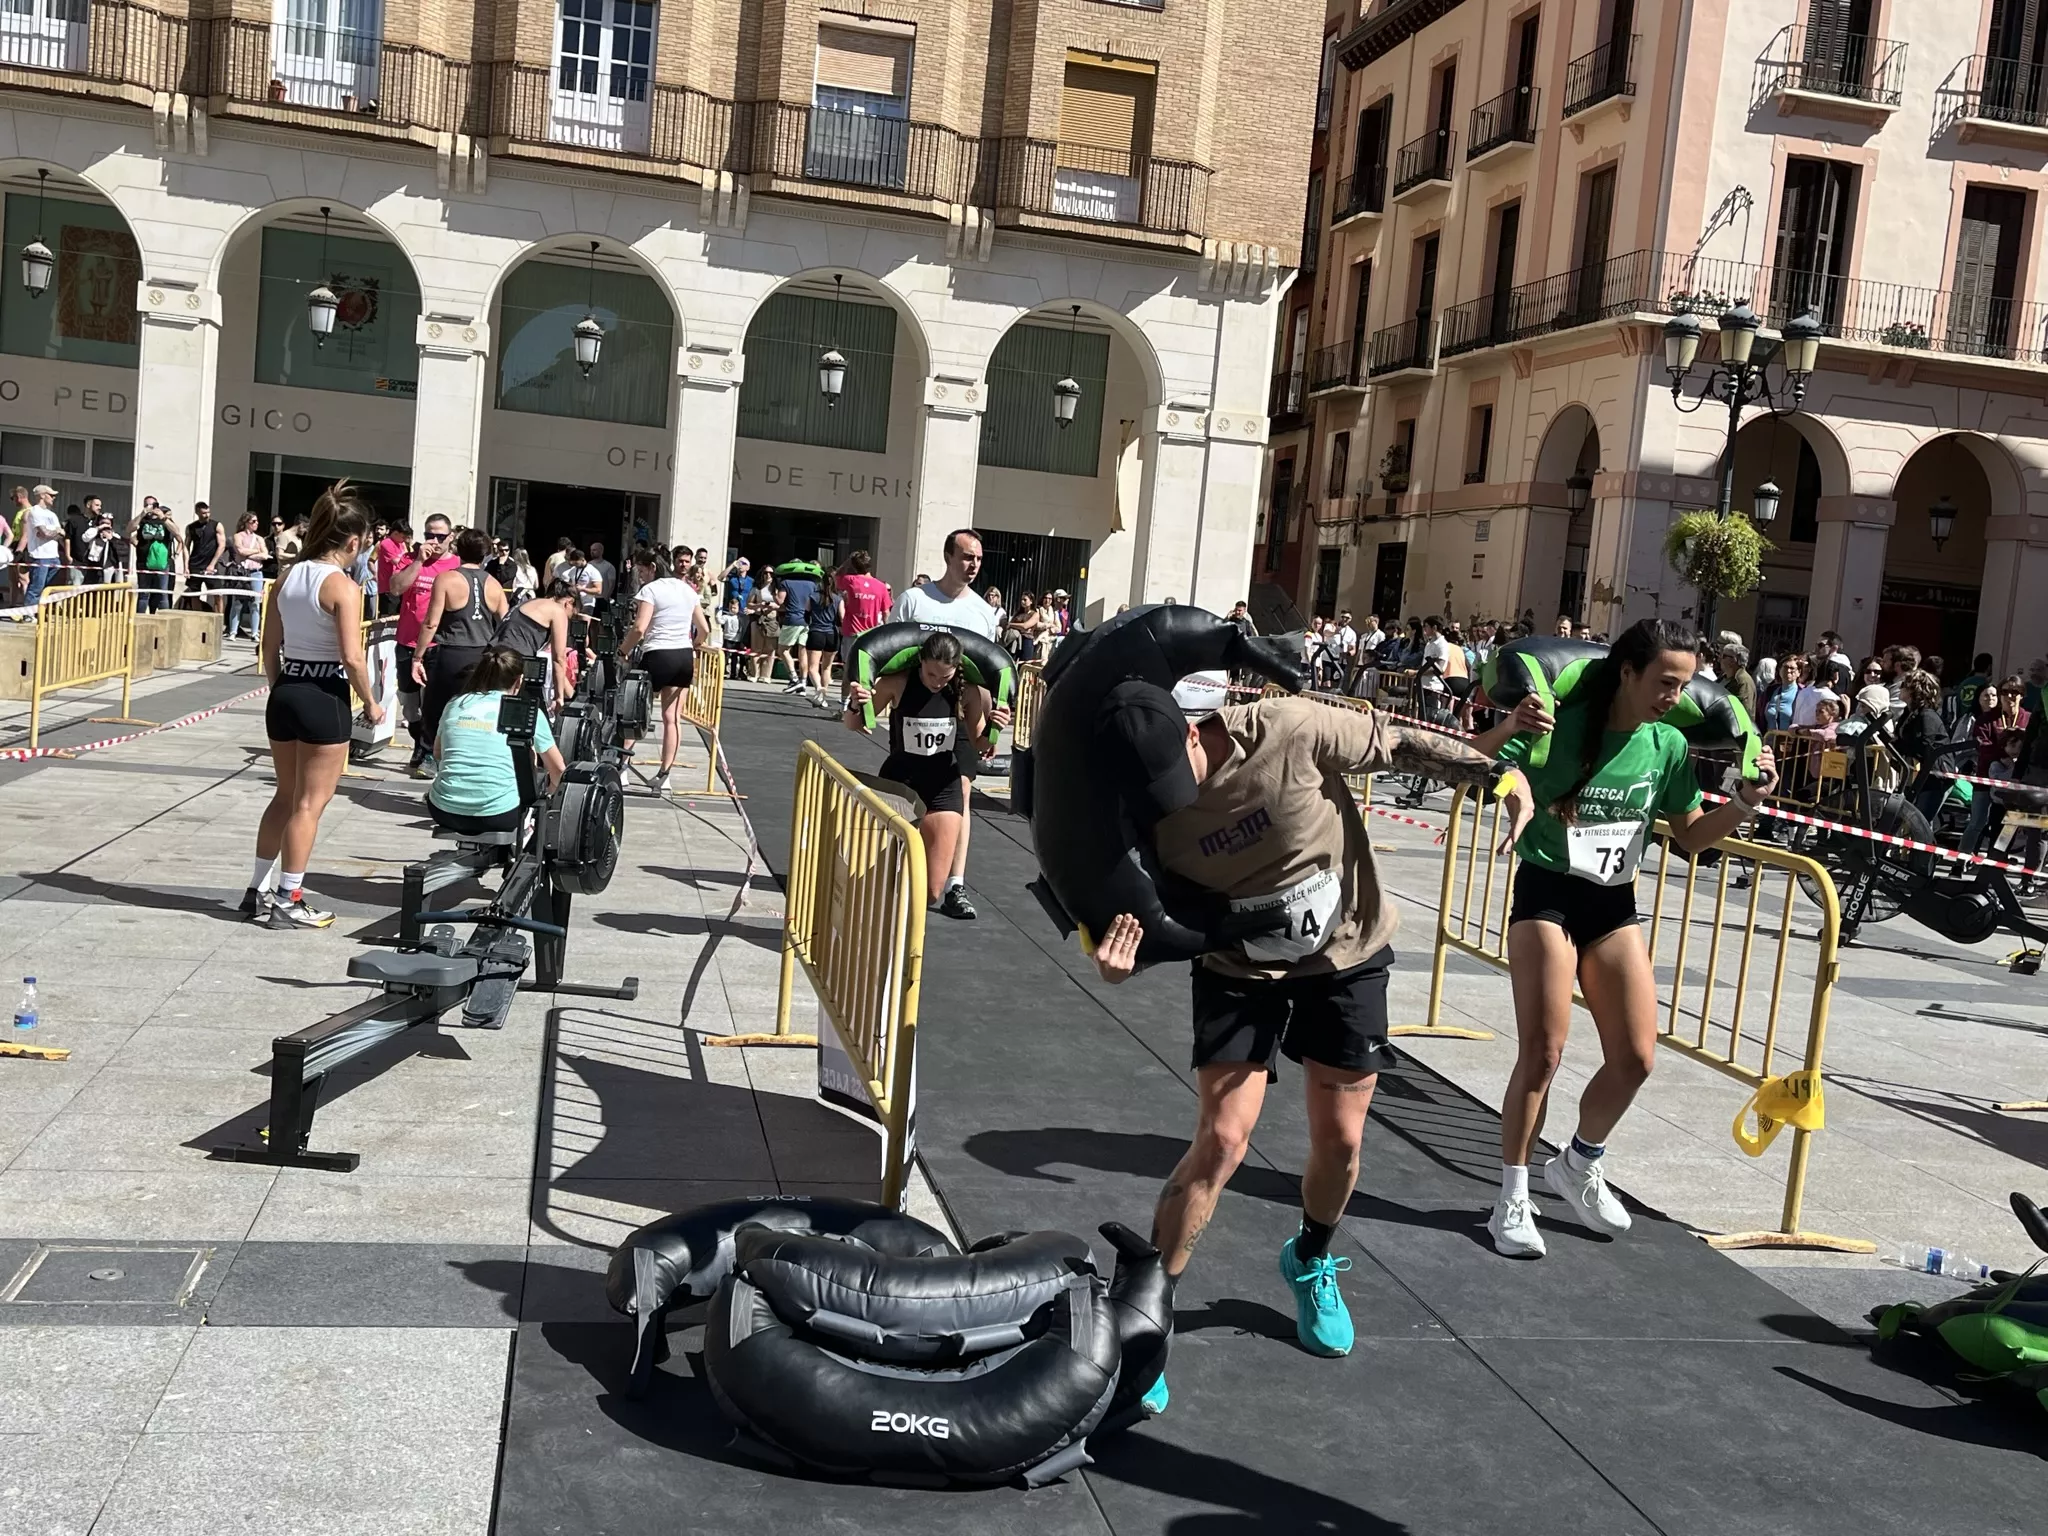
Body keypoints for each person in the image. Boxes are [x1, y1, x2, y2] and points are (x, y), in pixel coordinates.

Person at [1086, 678, 1542, 1376]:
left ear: (1191, 733)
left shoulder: (1287, 729)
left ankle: (1311, 1256)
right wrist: (1115, 960)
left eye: (1172, 779)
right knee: (1223, 1139)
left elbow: (1402, 745)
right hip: (1237, 966)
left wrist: (1503, 775)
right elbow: (1115, 915)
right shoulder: (1131, 803)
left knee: (1343, 1142)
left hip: (1345, 954)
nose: (1167, 799)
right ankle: (1148, 1312)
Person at [1484, 619, 1778, 1258]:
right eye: (1664, 682)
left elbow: (1694, 835)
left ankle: (1578, 1163)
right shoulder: (1561, 724)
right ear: (1626, 672)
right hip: (1548, 894)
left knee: (1637, 1058)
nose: (1674, 697)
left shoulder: (1667, 743)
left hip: (1614, 904)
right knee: (1543, 1052)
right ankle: (1511, 1193)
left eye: (1683, 686)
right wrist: (1509, 742)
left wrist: (1745, 804)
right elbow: (1483, 764)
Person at [245, 483, 382, 928]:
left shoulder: (286, 578)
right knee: (310, 803)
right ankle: (289, 896)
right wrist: (372, 702)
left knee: (285, 795)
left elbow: (269, 648)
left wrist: (279, 685)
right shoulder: (342, 586)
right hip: (325, 692)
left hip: (287, 687)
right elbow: (352, 656)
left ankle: (257, 889)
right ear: (354, 541)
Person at [888, 530, 1011, 919]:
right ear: (947, 556)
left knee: (961, 790)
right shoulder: (915, 600)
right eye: (965, 556)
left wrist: (990, 723)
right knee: (908, 790)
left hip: (960, 710)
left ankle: (956, 884)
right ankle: (904, 867)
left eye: (977, 558)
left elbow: (987, 671)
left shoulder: (981, 611)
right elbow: (888, 650)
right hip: (915, 710)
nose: (972, 565)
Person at [844, 630, 998, 906]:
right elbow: (856, 725)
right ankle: (884, 929)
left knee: (930, 891)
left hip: (943, 784)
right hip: (900, 782)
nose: (937, 683)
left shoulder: (968, 692)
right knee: (885, 878)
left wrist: (996, 725)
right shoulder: (897, 683)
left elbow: (979, 743)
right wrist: (856, 704)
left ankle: (909, 928)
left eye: (945, 677)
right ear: (920, 663)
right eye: (931, 675)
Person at [428, 645, 567, 836]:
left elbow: (438, 753)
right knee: (531, 761)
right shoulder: (529, 711)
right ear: (518, 681)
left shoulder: (455, 703)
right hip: (500, 813)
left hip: (443, 810)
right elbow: (558, 769)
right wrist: (547, 795)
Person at [412, 527, 510, 776]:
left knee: (437, 707)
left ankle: (433, 759)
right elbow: (505, 622)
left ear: (458, 550)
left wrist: (417, 656)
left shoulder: (447, 579)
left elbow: (431, 622)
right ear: (486, 554)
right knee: (474, 711)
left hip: (451, 652)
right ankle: (467, 762)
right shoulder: (494, 584)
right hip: (481, 654)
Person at [614, 549, 710, 793]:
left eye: (642, 571)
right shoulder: (688, 590)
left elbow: (639, 628)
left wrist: (622, 651)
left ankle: (624, 766)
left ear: (653, 568)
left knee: (635, 712)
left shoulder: (651, 590)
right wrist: (695, 645)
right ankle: (665, 775)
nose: (641, 576)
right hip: (683, 655)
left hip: (657, 653)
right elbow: (704, 628)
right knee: (672, 719)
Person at [391, 513, 458, 771]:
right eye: (430, 535)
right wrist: (418, 561)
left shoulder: (456, 565)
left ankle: (429, 753)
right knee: (409, 707)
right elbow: (395, 588)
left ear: (450, 537)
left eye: (441, 536)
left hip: (438, 645)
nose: (435, 541)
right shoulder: (410, 559)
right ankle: (421, 742)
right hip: (407, 641)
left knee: (433, 703)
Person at [492, 575, 579, 709]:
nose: (569, 618)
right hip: (512, 662)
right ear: (569, 602)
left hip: (492, 655)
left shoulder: (528, 603)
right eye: (572, 615)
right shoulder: (557, 610)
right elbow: (559, 659)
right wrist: (558, 698)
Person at [1896, 669, 1954, 822]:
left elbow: (1924, 746)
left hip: (1936, 776)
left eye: (1903, 685)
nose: (1899, 688)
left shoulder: (1927, 715)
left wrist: (1898, 746)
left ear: (1914, 690)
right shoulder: (1908, 714)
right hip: (1917, 775)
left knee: (1920, 822)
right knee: (1913, 820)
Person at [834, 550, 891, 698]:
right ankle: (862, 704)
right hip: (870, 635)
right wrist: (887, 633)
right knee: (866, 671)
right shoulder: (881, 586)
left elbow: (836, 576)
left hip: (852, 633)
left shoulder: (850, 580)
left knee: (848, 671)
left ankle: (844, 706)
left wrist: (848, 561)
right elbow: (886, 613)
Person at [131, 495, 178, 613]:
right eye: (147, 505)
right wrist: (142, 514)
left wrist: (163, 517)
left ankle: (165, 622)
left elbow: (177, 532)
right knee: (143, 594)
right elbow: (129, 530)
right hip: (143, 562)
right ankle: (140, 620)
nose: (150, 508)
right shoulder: (142, 520)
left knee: (162, 594)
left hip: (162, 563)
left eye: (153, 505)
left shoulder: (163, 520)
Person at [19, 485, 63, 607]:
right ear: (42, 495)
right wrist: (56, 531)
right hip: (40, 555)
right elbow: (45, 533)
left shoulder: (52, 514)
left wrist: (52, 533)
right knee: (36, 587)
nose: (53, 498)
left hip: (54, 555)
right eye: (51, 495)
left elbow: (61, 534)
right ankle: (28, 613)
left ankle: (40, 611)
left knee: (48, 588)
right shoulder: (34, 512)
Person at [225, 514, 267, 640]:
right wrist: (256, 551)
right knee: (237, 602)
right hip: (242, 572)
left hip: (256, 572)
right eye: (253, 521)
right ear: (246, 522)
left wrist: (248, 553)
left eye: (257, 521)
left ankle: (254, 633)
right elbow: (240, 551)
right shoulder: (238, 536)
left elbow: (265, 555)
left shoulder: (259, 539)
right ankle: (233, 631)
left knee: (255, 603)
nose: (256, 523)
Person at [803, 569, 841, 704]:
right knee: (827, 667)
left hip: (816, 632)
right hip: (832, 634)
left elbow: (806, 614)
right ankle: (823, 697)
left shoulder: (813, 596)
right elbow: (841, 618)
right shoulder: (838, 599)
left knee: (813, 667)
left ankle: (818, 688)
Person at [182, 501, 223, 614]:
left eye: (208, 512)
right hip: (195, 564)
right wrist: (186, 566)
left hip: (210, 565)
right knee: (194, 594)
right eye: (204, 513)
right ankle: (197, 618)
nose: (207, 515)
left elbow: (222, 545)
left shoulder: (216, 525)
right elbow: (186, 547)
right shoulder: (191, 528)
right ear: (197, 513)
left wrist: (212, 564)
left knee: (217, 594)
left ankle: (219, 618)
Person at [374, 521, 411, 617]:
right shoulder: (386, 543)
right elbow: (399, 562)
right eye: (402, 537)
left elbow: (407, 558)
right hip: (388, 589)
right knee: (387, 619)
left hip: (400, 586)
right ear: (395, 533)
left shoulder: (401, 544)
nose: (404, 540)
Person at [1718, 641, 1758, 720]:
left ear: (1734, 660)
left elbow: (1743, 711)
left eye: (1724, 656)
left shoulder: (1743, 681)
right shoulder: (1723, 677)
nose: (1720, 658)